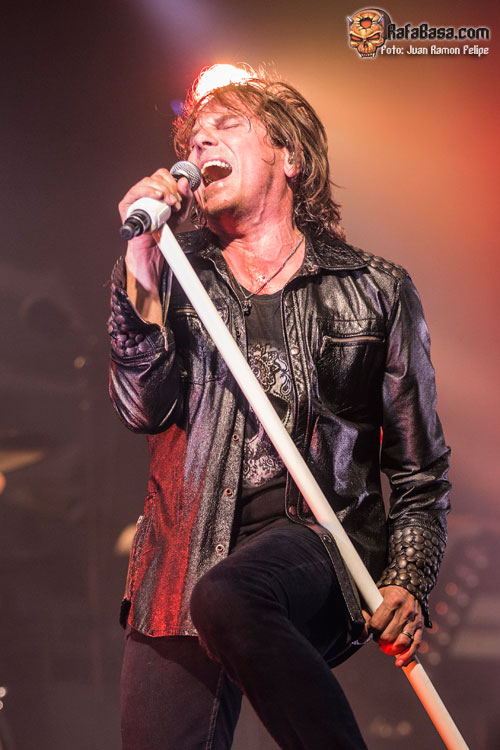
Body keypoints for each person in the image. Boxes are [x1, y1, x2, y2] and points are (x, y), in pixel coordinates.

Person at [108, 65, 451, 750]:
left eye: (226, 125)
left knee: (230, 596)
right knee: (211, 604)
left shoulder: (375, 289)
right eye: (192, 137)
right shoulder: (170, 275)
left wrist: (409, 578)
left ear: (289, 156)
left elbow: (420, 470)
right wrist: (140, 264)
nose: (201, 143)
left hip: (318, 545)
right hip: (180, 562)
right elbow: (143, 409)